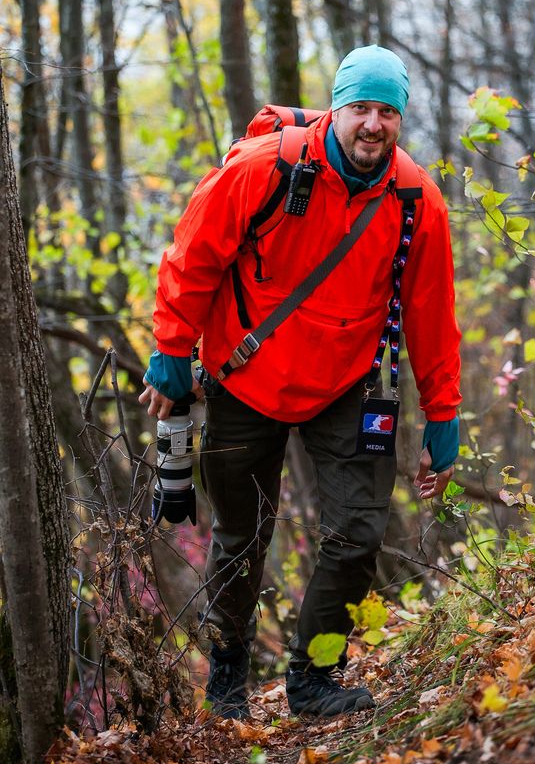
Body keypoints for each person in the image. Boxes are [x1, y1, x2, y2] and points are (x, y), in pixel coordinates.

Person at [139, 45, 461, 719]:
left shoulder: (415, 199)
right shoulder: (262, 168)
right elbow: (192, 257)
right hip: (245, 380)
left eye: (387, 112)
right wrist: (171, 348)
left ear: (399, 119)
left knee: (359, 532)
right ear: (335, 108)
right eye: (360, 108)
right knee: (241, 535)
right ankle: (227, 676)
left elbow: (432, 313)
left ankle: (314, 679)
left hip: (346, 384)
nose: (373, 124)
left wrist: (443, 414)